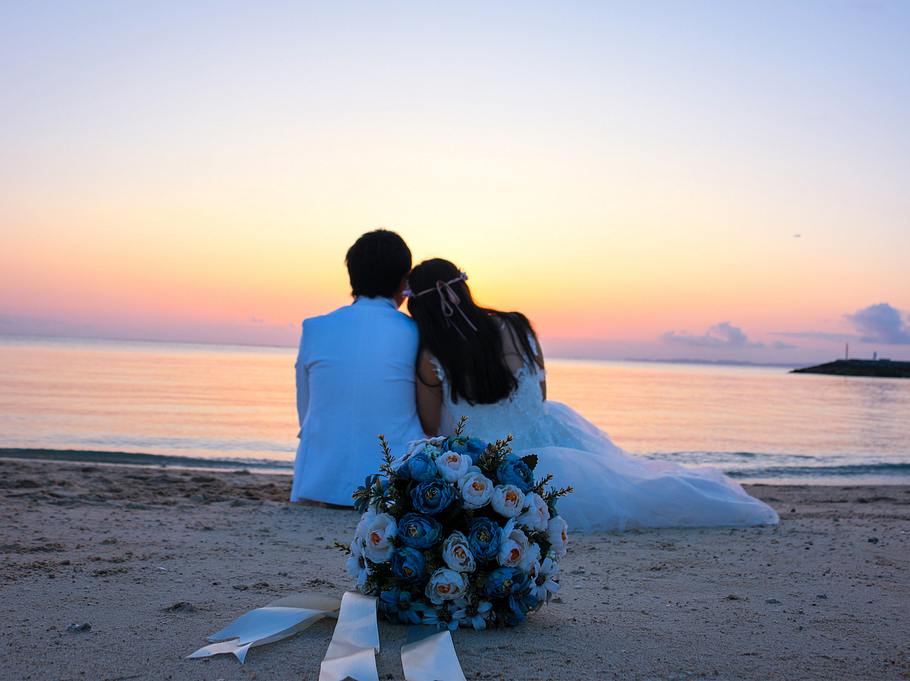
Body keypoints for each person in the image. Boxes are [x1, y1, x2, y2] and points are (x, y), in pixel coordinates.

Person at [406, 258, 779, 532]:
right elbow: (540, 394)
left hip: (486, 469)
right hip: (552, 447)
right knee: (635, 485)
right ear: (464, 287)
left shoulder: (430, 356)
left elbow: (430, 426)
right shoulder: (517, 326)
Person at [291, 230, 426, 506]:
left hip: (321, 482)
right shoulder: (416, 331)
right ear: (404, 280)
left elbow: (305, 410)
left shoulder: (315, 328)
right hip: (393, 487)